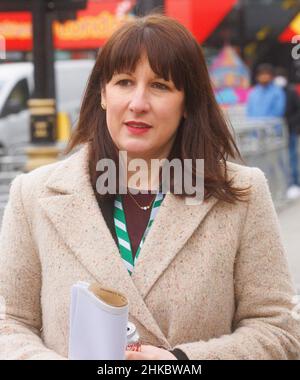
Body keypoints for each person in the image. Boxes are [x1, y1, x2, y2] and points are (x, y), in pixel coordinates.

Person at [0, 14, 299, 360]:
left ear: (187, 103)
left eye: (159, 86)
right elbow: (8, 322)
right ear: (102, 94)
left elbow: (279, 330)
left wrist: (181, 363)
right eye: (124, 82)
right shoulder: (34, 195)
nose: (138, 103)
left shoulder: (242, 194)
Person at [274, 68, 300, 199]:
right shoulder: (273, 91)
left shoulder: (291, 91)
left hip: (290, 131)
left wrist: (291, 124)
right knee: (279, 159)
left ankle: (295, 183)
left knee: (292, 157)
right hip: (276, 133)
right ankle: (285, 184)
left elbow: (297, 110)